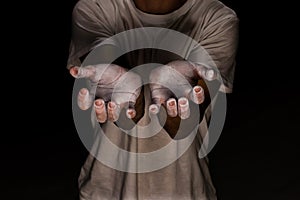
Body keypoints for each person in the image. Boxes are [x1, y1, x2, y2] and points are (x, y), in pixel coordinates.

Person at [67, 0, 238, 199]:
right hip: (107, 189)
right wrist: (131, 98)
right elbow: (126, 114)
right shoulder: (95, 7)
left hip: (183, 190)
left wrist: (176, 104)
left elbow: (183, 126)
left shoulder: (216, 18)